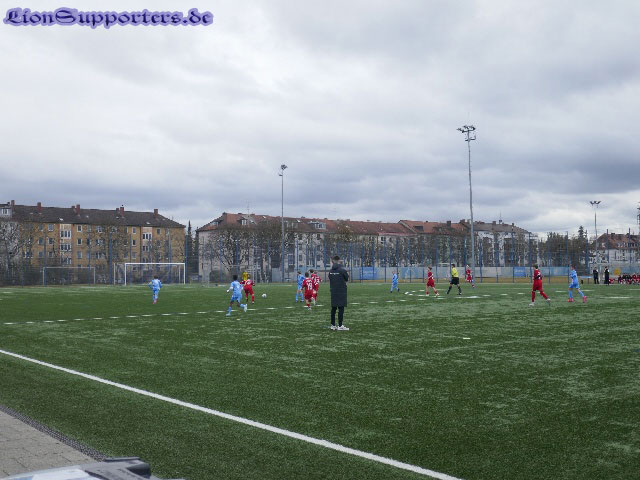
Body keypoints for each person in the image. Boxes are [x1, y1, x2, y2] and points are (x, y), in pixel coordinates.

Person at [328, 255, 349, 330]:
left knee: (333, 308)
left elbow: (330, 279)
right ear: (339, 260)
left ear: (333, 261)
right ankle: (340, 326)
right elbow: (347, 278)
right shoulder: (342, 270)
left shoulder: (330, 271)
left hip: (333, 291)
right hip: (341, 291)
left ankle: (333, 325)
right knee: (341, 308)